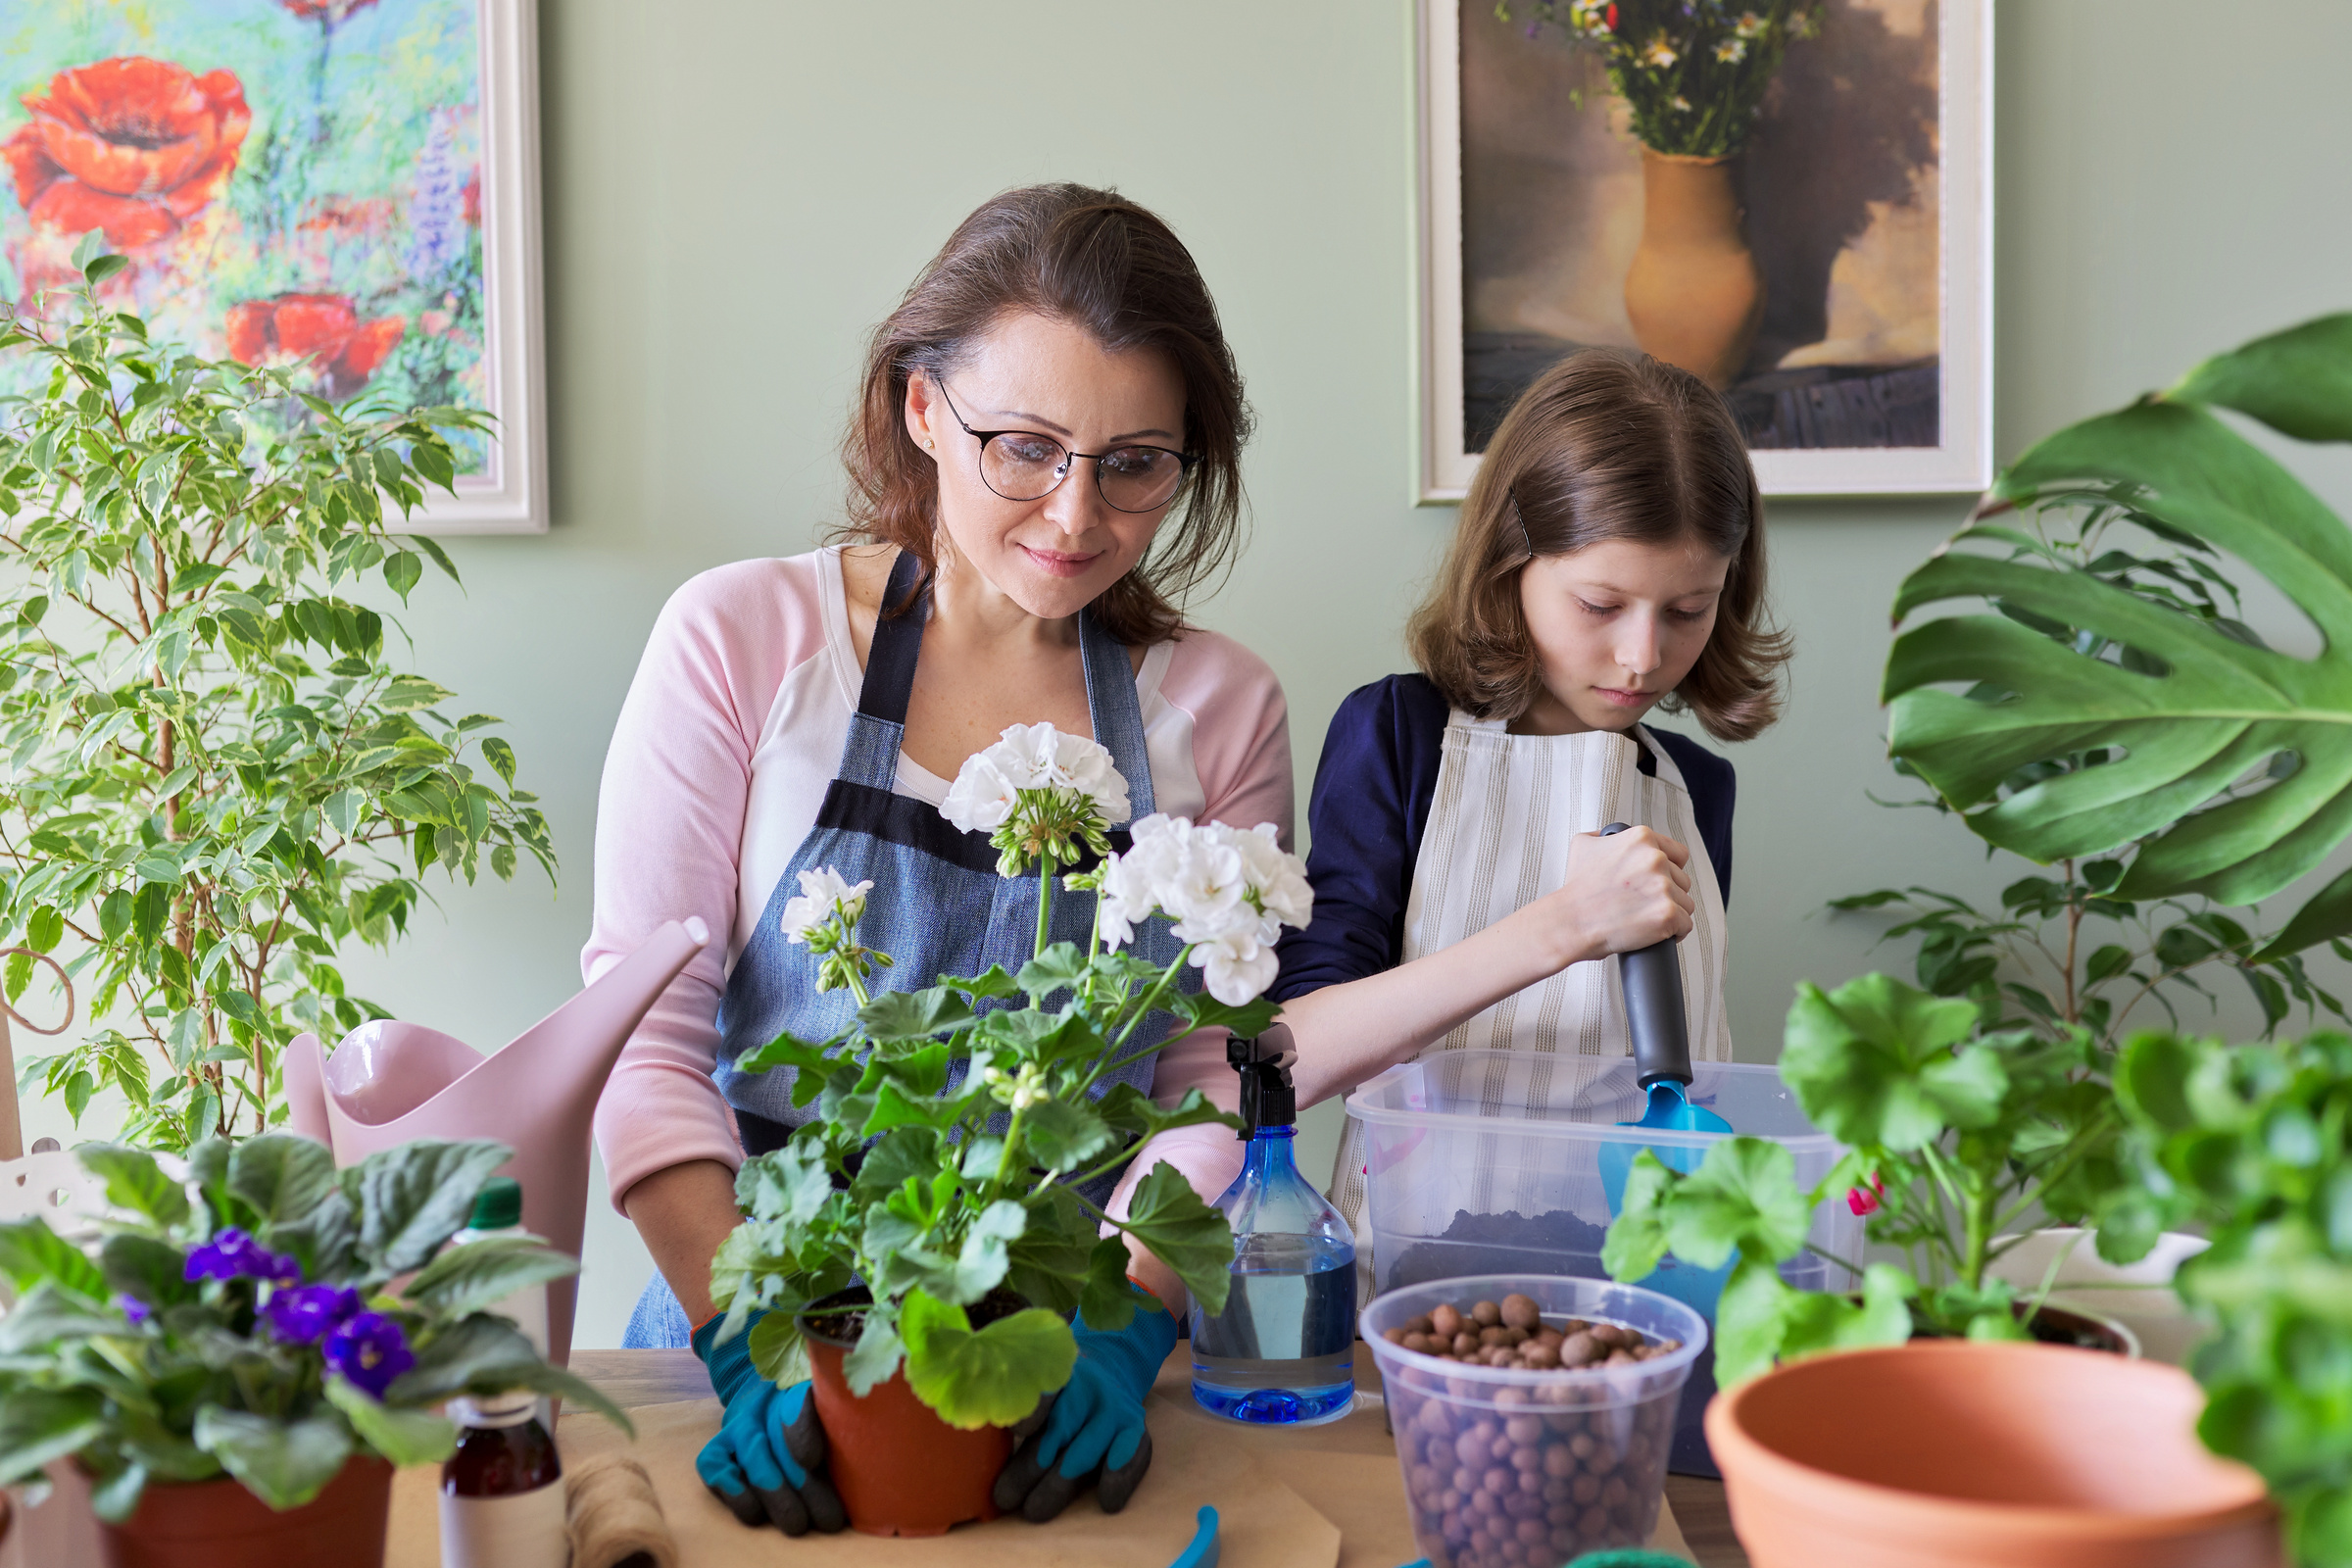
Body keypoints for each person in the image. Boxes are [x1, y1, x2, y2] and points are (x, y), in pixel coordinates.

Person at [582, 184, 1292, 1533]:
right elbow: (646, 1038)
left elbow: (1206, 1079)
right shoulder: (742, 639)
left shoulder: (1226, 709)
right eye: (1023, 448)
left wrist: (1127, 1327)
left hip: (1055, 1364)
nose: (1075, 516)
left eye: (1136, 463)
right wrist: (754, 1342)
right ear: (923, 410)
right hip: (766, 1339)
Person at [1269, 350, 1792, 1267]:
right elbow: (1293, 1057)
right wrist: (1566, 924)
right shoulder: (1399, 735)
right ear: (1511, 562)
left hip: (1639, 1286)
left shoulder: (1698, 793)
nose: (1641, 656)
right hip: (1413, 1268)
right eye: (1599, 603)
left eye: (1687, 610)